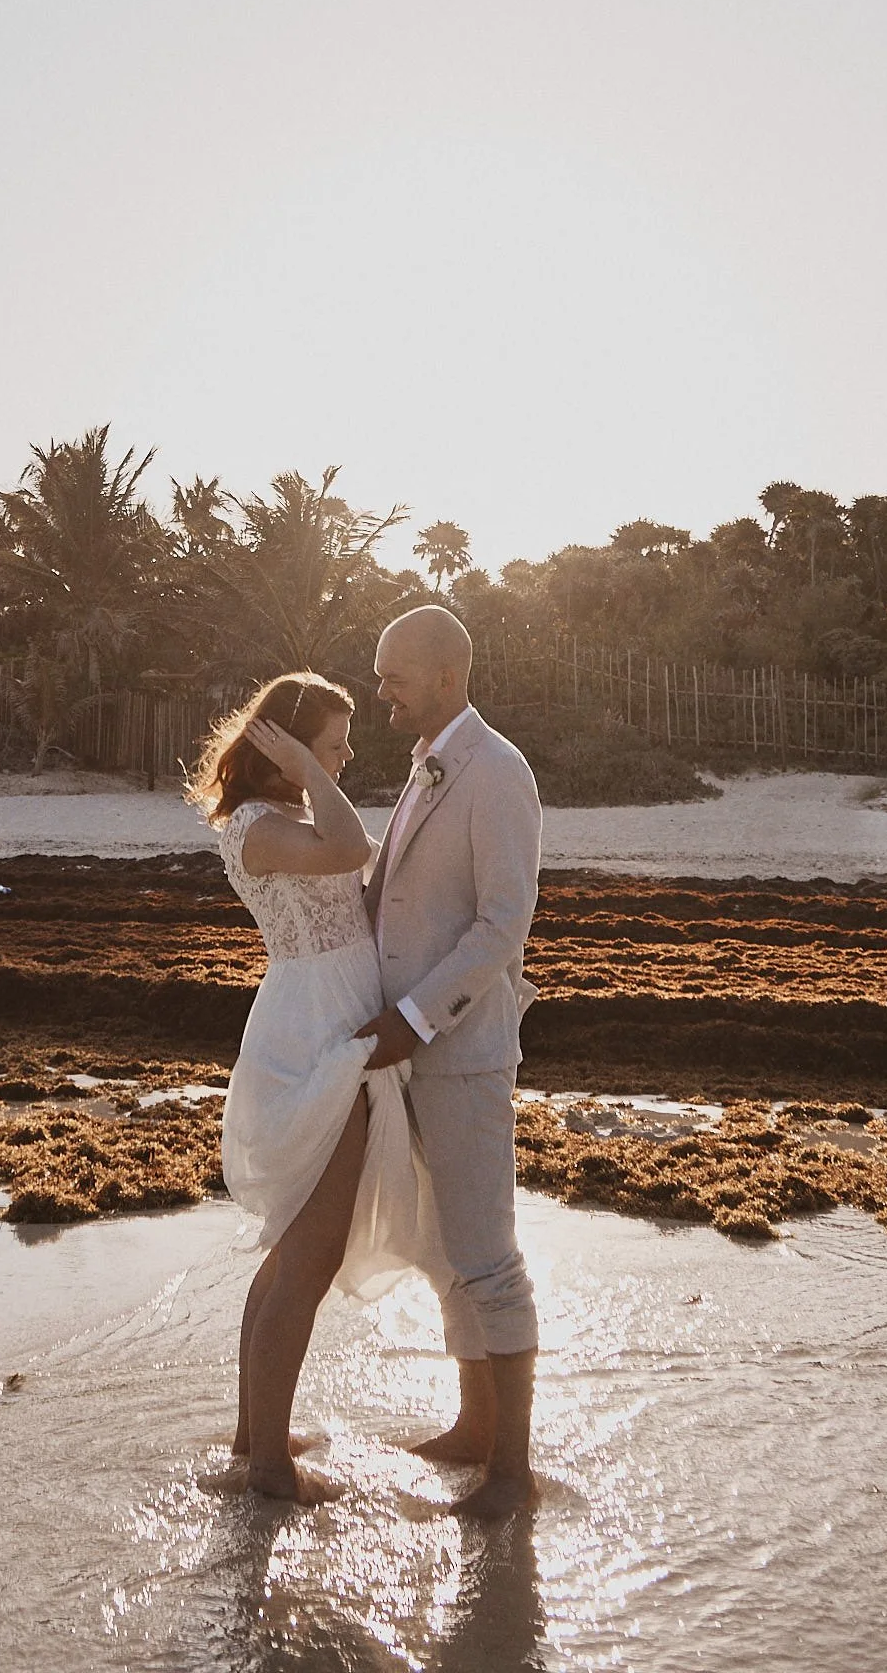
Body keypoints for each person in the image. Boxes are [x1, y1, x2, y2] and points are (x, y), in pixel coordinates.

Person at [188, 672, 450, 1504]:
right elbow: (352, 851)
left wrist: (313, 772)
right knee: (308, 1252)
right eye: (332, 743)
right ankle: (267, 1468)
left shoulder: (287, 815)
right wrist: (313, 769)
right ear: (286, 746)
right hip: (315, 1035)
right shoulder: (261, 826)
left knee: (293, 1250)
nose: (345, 757)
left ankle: (251, 1433)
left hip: (330, 1014)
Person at [358, 604, 543, 1518]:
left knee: (488, 1258)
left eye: (392, 672)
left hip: (461, 1055)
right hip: (411, 1056)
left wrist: (415, 1020)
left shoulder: (497, 771)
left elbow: (502, 924)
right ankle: (473, 1428)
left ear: (443, 675)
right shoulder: (427, 766)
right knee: (443, 1253)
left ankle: (512, 1471)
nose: (379, 688)